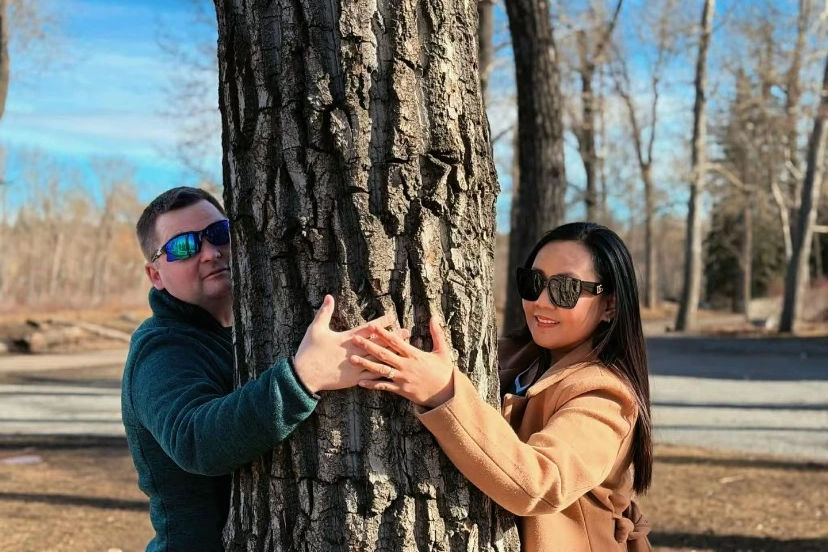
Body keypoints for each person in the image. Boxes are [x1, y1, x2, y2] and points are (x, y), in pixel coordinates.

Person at [349, 222, 653, 551]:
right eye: (533, 283)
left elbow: (541, 484)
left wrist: (444, 393)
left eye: (565, 289)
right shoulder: (509, 356)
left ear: (609, 305)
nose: (542, 302)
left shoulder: (604, 393)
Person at [121, 186, 395, 552]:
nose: (210, 253)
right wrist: (303, 377)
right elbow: (196, 442)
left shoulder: (248, 330)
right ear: (155, 275)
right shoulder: (161, 349)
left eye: (219, 234)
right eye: (184, 246)